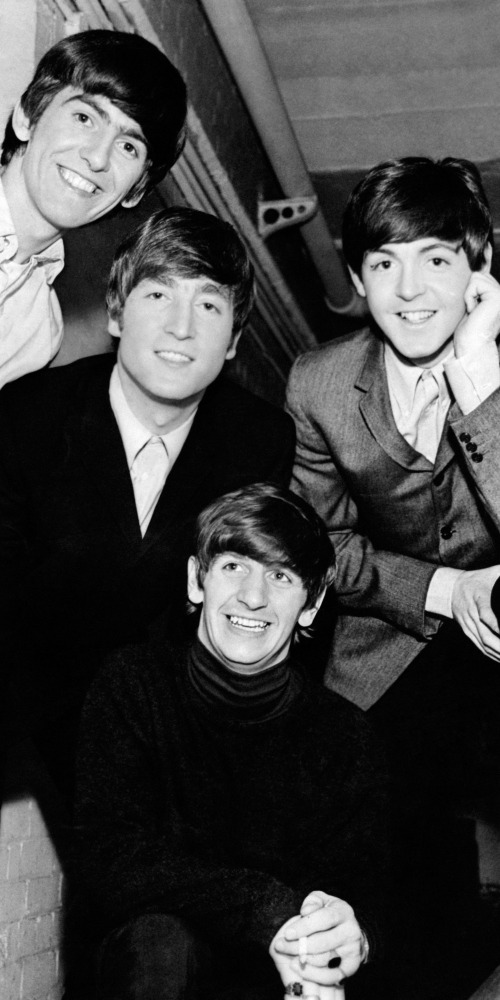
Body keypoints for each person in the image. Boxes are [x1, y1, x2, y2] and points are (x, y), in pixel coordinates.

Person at [286, 157, 500, 997]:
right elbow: (323, 548)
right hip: (394, 645)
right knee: (379, 854)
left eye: (436, 259)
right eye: (384, 263)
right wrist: (446, 590)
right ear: (357, 279)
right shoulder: (319, 385)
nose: (409, 290)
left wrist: (479, 385)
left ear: (480, 266)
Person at [0, 206, 295, 800]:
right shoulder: (28, 415)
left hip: (179, 742)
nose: (182, 327)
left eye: (209, 306)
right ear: (116, 312)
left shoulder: (260, 439)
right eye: (159, 295)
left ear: (234, 340)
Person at [72, 483, 389, 1000]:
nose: (253, 596)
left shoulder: (345, 736)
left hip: (280, 978)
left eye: (281, 576)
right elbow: (113, 862)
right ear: (197, 580)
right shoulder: (132, 687)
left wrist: (344, 940)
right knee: (159, 940)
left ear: (311, 605)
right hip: (155, 973)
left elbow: (368, 888)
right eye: (234, 566)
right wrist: (265, 908)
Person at [0, 28, 187, 388]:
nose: (98, 157)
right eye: (85, 118)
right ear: (27, 117)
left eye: (128, 147)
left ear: (136, 191)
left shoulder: (38, 333)